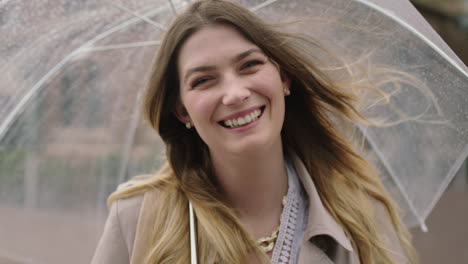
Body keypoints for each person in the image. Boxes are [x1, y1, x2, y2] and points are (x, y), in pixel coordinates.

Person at [91, 0, 418, 263]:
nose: (234, 94)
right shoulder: (135, 220)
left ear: (283, 78)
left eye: (249, 65)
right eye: (204, 80)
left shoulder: (363, 217)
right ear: (182, 111)